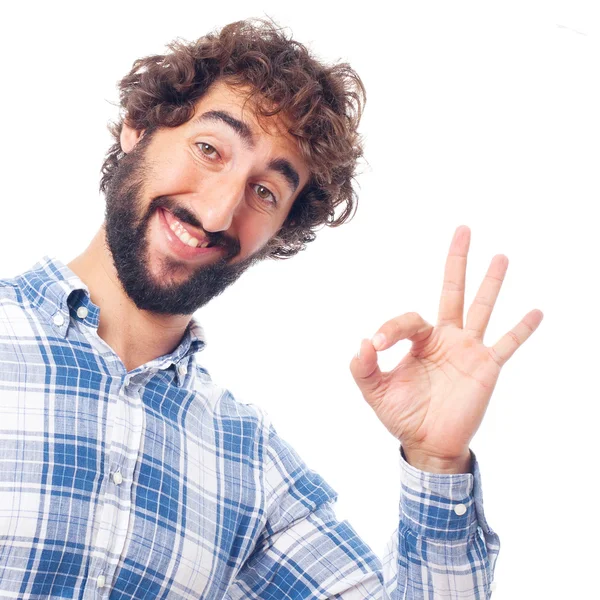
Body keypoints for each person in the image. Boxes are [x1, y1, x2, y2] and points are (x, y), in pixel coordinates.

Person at [0, 19, 542, 599]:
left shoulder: (248, 466)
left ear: (279, 234)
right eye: (210, 150)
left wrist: (437, 461)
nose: (216, 212)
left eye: (265, 193)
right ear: (140, 127)